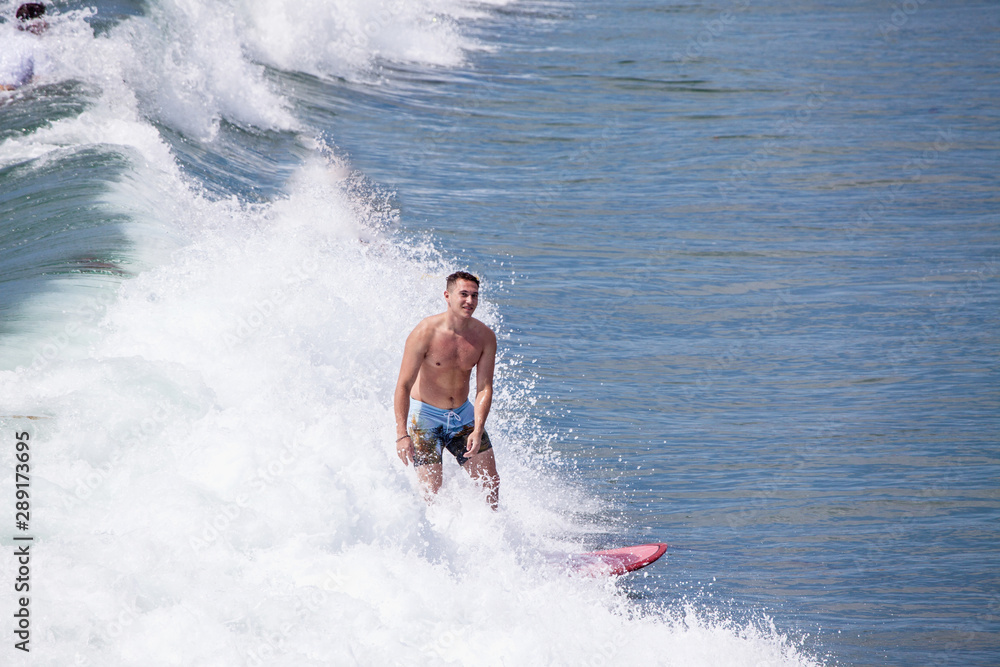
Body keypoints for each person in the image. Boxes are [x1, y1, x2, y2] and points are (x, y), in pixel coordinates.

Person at [394, 271, 500, 509]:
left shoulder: (484, 337)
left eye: (474, 296)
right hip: (426, 420)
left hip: (463, 417)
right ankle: (433, 542)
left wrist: (478, 427)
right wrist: (402, 435)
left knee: (490, 482)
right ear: (447, 296)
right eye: (463, 294)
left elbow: (484, 387)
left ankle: (496, 540)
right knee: (431, 492)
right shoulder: (425, 332)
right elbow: (403, 385)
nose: (470, 301)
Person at [1, 4, 49, 91]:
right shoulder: (37, 45)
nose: (47, 24)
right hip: (6, 91)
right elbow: (41, 80)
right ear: (36, 23)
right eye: (44, 20)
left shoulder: (4, 35)